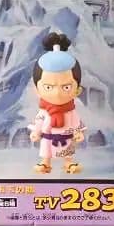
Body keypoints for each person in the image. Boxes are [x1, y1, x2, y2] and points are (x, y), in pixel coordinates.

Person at [28, 32, 86, 174]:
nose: (57, 93)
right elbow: (40, 121)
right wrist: (36, 131)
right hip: (48, 138)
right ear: (37, 90)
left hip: (66, 137)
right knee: (46, 151)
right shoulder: (44, 111)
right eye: (48, 87)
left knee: (67, 151)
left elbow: (75, 123)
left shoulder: (70, 111)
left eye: (66, 87)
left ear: (77, 90)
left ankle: (68, 163)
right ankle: (45, 163)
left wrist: (78, 132)